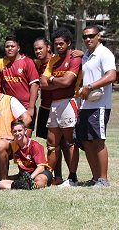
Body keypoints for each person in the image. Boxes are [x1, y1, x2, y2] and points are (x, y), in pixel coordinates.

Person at [75, 25, 116, 187]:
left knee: (98, 141)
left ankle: (103, 179)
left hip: (99, 105)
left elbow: (112, 75)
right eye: (85, 37)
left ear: (99, 36)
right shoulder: (87, 55)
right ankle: (95, 177)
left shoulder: (104, 53)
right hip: (85, 105)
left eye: (91, 36)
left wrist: (90, 86)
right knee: (86, 141)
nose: (88, 39)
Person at [40, 27, 82, 187]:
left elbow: (67, 82)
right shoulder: (53, 60)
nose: (58, 47)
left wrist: (51, 80)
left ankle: (72, 178)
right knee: (51, 142)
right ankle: (50, 176)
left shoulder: (75, 58)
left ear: (69, 43)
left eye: (61, 44)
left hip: (69, 102)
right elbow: (43, 84)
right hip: (54, 104)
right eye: (56, 44)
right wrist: (53, 81)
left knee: (70, 142)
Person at [33, 37, 63, 185]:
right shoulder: (37, 64)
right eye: (36, 49)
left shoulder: (57, 60)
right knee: (51, 143)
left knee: (62, 143)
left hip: (59, 106)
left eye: (40, 48)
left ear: (48, 48)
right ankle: (52, 175)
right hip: (45, 107)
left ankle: (61, 176)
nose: (38, 51)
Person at [0, 120, 52, 190]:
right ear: (11, 133)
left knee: (40, 179)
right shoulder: (14, 145)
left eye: (20, 130)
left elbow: (41, 167)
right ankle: (22, 186)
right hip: (23, 175)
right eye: (14, 131)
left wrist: (29, 179)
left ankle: (32, 185)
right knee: (1, 183)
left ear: (25, 131)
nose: (17, 133)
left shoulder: (34, 145)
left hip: (40, 173)